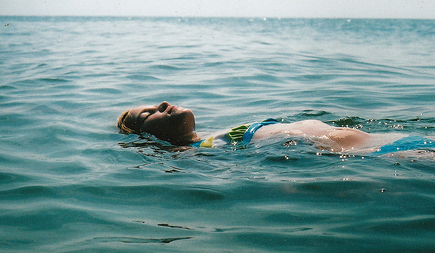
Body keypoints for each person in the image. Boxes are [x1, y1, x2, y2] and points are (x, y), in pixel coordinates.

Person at [117, 101, 435, 155]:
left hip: (384, 138)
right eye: (147, 116)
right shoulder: (197, 153)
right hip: (365, 151)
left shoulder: (215, 137)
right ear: (148, 139)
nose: (160, 105)